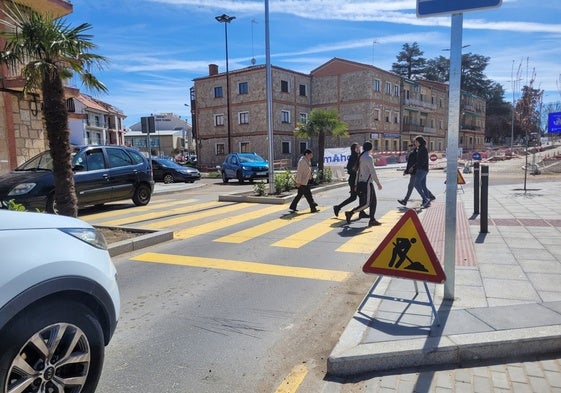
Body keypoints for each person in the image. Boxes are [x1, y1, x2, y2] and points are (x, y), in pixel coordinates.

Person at [344, 141, 382, 227]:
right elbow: (372, 171)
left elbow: (358, 172)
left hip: (362, 182)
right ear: (371, 148)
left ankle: (372, 220)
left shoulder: (361, 156)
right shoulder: (368, 157)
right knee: (367, 203)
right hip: (367, 183)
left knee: (374, 202)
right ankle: (350, 213)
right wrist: (378, 183)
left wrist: (356, 184)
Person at [333, 143, 368, 219]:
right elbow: (349, 168)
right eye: (357, 148)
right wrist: (355, 171)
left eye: (359, 147)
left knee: (360, 197)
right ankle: (338, 207)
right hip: (353, 180)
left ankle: (361, 212)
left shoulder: (357, 156)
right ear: (354, 149)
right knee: (355, 197)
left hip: (357, 180)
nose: (359, 149)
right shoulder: (353, 157)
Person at [289, 149, 319, 213]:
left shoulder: (307, 160)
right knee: (308, 194)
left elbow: (308, 170)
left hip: (305, 180)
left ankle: (293, 206)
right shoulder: (302, 161)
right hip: (302, 181)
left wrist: (311, 177)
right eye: (310, 154)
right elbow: (299, 172)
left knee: (300, 194)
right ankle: (313, 207)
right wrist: (298, 182)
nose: (312, 156)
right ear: (306, 154)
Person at [412, 135, 432, 209]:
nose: (415, 143)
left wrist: (417, 166)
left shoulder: (422, 149)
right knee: (423, 185)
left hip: (421, 169)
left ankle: (425, 199)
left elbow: (422, 161)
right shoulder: (421, 148)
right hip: (424, 169)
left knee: (416, 184)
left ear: (419, 142)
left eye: (416, 142)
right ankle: (426, 201)